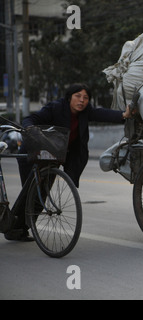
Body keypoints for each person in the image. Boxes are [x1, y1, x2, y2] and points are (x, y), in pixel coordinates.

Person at [4, 83, 133, 241]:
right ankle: (13, 228)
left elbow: (102, 114)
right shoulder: (56, 107)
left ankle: (21, 229)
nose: (82, 100)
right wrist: (30, 128)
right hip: (32, 154)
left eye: (85, 98)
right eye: (78, 96)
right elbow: (31, 119)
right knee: (31, 192)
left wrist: (124, 115)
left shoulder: (85, 112)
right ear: (69, 97)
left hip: (53, 157)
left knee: (42, 194)